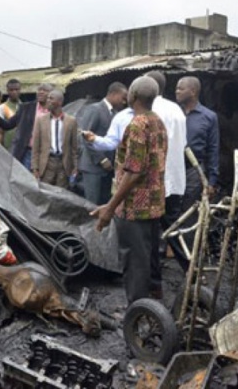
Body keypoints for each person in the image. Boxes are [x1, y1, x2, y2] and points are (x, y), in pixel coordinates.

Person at [84, 71, 186, 299]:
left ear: (134, 95)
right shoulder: (157, 121)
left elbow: (133, 172)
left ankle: (136, 314)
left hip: (134, 208)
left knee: (135, 263)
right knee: (147, 257)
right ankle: (149, 305)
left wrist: (109, 208)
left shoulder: (138, 125)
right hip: (153, 204)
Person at [175, 76, 220, 269]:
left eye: (180, 88)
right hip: (172, 169)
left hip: (194, 171)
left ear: (193, 91)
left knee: (190, 212)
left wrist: (212, 180)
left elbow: (213, 149)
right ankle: (170, 249)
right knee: (170, 210)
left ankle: (188, 259)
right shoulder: (173, 113)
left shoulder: (209, 117)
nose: (176, 91)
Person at [78, 82, 128, 205]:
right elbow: (85, 137)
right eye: (123, 98)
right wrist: (102, 160)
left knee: (105, 202)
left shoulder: (116, 114)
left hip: (108, 169)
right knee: (92, 204)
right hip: (93, 167)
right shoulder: (95, 109)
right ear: (113, 94)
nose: (124, 102)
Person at [0, 83, 51, 170]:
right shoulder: (26, 108)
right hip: (27, 152)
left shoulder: (54, 111)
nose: (41, 92)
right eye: (39, 90)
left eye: (45, 90)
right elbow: (8, 125)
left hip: (47, 154)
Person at [31, 90, 78, 188]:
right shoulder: (41, 120)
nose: (47, 101)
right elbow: (36, 147)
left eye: (51, 98)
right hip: (47, 164)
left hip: (63, 164)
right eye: (47, 98)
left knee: (62, 194)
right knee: (45, 194)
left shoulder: (71, 121)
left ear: (60, 102)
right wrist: (35, 168)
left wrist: (75, 166)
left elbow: (74, 147)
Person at [0, 78, 22, 149]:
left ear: (20, 90)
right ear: (7, 91)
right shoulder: (1, 108)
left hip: (22, 149)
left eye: (16, 89)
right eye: (11, 90)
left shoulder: (24, 107)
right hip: (8, 148)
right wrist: (0, 149)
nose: (14, 92)